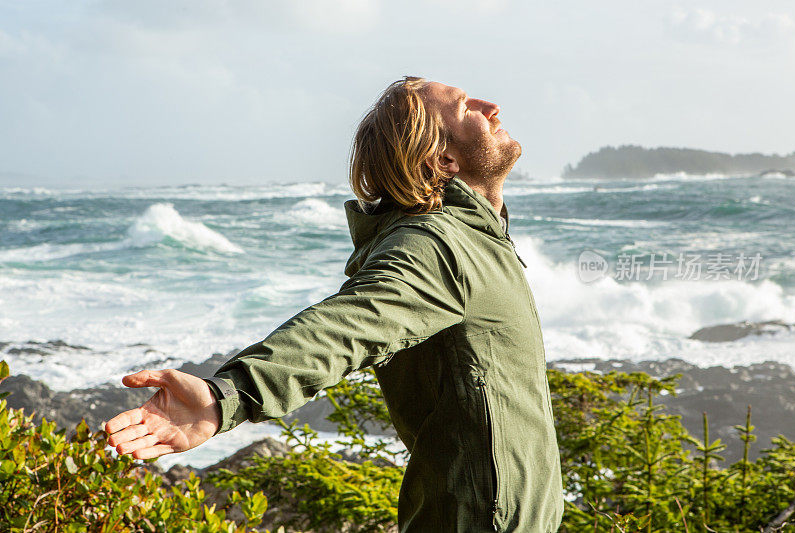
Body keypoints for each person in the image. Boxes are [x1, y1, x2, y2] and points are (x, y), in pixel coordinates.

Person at [105, 76, 565, 532]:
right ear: (442, 158)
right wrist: (226, 396)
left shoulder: (476, 238)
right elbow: (346, 326)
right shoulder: (437, 244)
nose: (491, 107)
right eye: (466, 107)